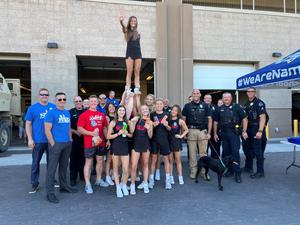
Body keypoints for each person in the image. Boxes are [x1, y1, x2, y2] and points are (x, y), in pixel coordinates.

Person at [44, 92, 77, 204]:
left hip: (67, 143)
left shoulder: (67, 113)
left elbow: (68, 127)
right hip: (56, 144)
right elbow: (47, 130)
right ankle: (50, 193)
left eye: (64, 99)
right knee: (51, 169)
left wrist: (70, 139)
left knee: (64, 167)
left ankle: (64, 186)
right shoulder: (51, 113)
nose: (62, 101)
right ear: (55, 101)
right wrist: (53, 143)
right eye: (60, 99)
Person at [77, 95, 110, 194]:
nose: (93, 103)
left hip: (101, 142)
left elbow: (104, 128)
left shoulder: (101, 114)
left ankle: (98, 180)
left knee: (100, 161)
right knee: (89, 162)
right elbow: (79, 129)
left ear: (98, 102)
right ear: (89, 102)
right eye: (91, 101)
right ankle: (87, 184)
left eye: (95, 101)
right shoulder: (84, 115)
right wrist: (91, 133)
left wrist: (107, 139)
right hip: (89, 143)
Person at [25, 88, 56, 194]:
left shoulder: (53, 107)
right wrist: (30, 139)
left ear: (48, 96)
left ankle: (51, 180)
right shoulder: (32, 108)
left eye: (46, 94)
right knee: (35, 163)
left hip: (50, 140)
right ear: (39, 95)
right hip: (37, 140)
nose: (44, 96)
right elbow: (28, 124)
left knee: (51, 162)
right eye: (42, 94)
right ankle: (34, 183)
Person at [214, 92, 248, 183]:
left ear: (231, 98)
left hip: (234, 134)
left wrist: (244, 131)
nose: (226, 99)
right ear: (222, 98)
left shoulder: (237, 107)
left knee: (235, 153)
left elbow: (244, 118)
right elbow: (215, 122)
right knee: (226, 154)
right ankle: (230, 171)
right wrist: (215, 133)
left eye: (228, 97)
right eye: (225, 97)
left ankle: (237, 174)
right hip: (223, 134)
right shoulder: (219, 109)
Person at [182, 89, 212, 180]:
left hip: (203, 131)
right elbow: (183, 120)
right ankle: (193, 172)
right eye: (194, 93)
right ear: (192, 95)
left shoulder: (205, 105)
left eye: (197, 93)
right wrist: (184, 132)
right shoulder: (187, 106)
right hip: (191, 131)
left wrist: (209, 133)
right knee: (192, 153)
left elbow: (210, 119)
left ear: (200, 95)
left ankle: (204, 172)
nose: (195, 95)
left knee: (203, 153)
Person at [107, 105, 133, 198]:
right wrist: (118, 133)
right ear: (117, 112)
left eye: (123, 110)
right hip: (116, 146)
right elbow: (108, 136)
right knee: (116, 169)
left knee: (126, 169)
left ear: (125, 112)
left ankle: (124, 185)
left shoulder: (128, 122)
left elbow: (131, 135)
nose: (122, 112)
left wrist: (127, 134)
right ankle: (118, 187)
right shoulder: (113, 122)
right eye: (120, 110)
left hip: (125, 146)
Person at [242, 87, 267, 178]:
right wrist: (244, 131)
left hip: (257, 128)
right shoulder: (246, 104)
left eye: (252, 91)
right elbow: (245, 119)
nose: (250, 93)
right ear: (247, 93)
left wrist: (260, 131)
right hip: (248, 129)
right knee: (247, 149)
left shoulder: (259, 103)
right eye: (248, 91)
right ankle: (248, 167)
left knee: (258, 151)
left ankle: (260, 172)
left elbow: (263, 117)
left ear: (255, 93)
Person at [149, 99, 172, 190]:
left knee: (166, 159)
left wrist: (166, 125)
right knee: (154, 159)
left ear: (163, 105)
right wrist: (153, 125)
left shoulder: (167, 115)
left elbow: (170, 129)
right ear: (155, 105)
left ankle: (167, 180)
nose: (159, 105)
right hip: (154, 139)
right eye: (157, 104)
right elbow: (148, 127)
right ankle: (151, 180)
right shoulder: (152, 115)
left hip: (164, 140)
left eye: (160, 104)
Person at [129, 105, 153, 195]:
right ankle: (132, 184)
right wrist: (132, 123)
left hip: (145, 144)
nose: (144, 110)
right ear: (140, 111)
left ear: (148, 110)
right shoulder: (136, 119)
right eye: (143, 109)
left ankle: (145, 183)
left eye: (146, 109)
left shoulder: (150, 122)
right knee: (134, 166)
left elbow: (150, 136)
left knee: (145, 165)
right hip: (136, 145)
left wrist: (148, 129)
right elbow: (131, 131)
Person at [119, 14, 142, 94]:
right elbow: (123, 27)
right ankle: (128, 88)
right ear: (129, 22)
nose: (133, 22)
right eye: (132, 21)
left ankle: (136, 88)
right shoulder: (127, 31)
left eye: (135, 21)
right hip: (129, 52)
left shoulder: (138, 33)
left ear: (136, 23)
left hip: (138, 53)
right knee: (129, 71)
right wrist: (121, 21)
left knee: (137, 71)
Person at [168, 105, 189, 185]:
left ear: (178, 112)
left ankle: (180, 177)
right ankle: (171, 177)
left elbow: (186, 130)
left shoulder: (180, 120)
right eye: (172, 110)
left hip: (176, 141)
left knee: (178, 160)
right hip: (168, 141)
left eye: (175, 110)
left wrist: (181, 136)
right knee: (170, 161)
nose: (173, 111)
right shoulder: (168, 119)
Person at [69, 96, 85, 186]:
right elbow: (67, 126)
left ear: (82, 102)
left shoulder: (86, 111)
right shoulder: (70, 112)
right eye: (76, 101)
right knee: (73, 159)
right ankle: (73, 178)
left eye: (80, 101)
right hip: (74, 139)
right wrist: (76, 131)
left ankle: (82, 176)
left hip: (84, 139)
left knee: (83, 159)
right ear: (74, 103)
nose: (78, 102)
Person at [204, 94, 221, 159]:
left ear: (211, 100)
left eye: (209, 98)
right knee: (204, 149)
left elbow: (219, 119)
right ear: (204, 99)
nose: (208, 99)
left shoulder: (215, 107)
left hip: (214, 132)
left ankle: (215, 163)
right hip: (204, 131)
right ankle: (205, 164)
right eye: (206, 98)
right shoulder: (201, 107)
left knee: (216, 148)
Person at [104, 102, 117, 186]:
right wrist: (107, 140)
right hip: (110, 139)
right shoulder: (106, 117)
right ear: (107, 109)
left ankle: (112, 174)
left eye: (113, 107)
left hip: (116, 139)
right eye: (110, 107)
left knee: (114, 159)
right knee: (109, 159)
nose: (111, 108)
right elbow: (105, 129)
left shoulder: (117, 116)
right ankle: (107, 177)